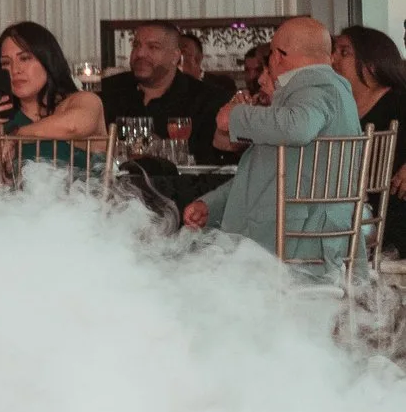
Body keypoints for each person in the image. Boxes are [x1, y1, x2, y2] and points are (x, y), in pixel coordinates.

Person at [184, 18, 362, 259]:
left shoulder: (316, 87)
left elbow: (299, 128)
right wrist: (210, 205)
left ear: (278, 56)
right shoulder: (324, 89)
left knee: (182, 262)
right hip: (295, 235)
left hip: (294, 243)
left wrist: (235, 117)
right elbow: (263, 174)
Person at [0, 21, 107, 184]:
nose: (15, 70)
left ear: (47, 60)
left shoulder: (83, 101)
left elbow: (74, 126)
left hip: (84, 206)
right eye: (6, 63)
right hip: (19, 209)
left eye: (24, 58)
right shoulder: (4, 121)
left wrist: (17, 136)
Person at [98, 19, 235, 162]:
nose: (140, 54)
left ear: (175, 56)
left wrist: (162, 149)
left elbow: (212, 158)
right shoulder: (109, 90)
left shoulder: (207, 99)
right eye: (136, 45)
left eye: (153, 47)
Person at [332, 25, 406, 255]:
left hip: (396, 220)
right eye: (334, 51)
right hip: (356, 221)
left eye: (344, 52)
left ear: (372, 64)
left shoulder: (400, 101)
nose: (333, 58)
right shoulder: (337, 109)